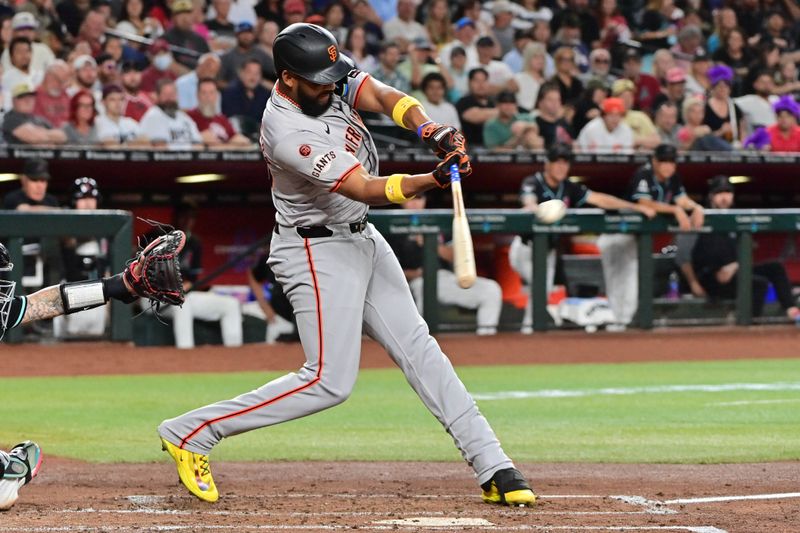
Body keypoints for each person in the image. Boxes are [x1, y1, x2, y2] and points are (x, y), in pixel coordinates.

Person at [158, 23, 535, 508]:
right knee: (327, 382)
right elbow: (365, 188)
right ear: (288, 78)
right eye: (321, 79)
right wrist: (432, 179)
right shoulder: (286, 129)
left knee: (420, 350)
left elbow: (378, 92)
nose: (333, 85)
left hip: (360, 238)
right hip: (315, 250)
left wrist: (429, 127)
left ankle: (494, 464)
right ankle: (192, 432)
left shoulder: (324, 77)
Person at [509, 142, 655, 333]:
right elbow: (528, 202)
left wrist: (635, 207)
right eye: (557, 162)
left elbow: (600, 200)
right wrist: (537, 209)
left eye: (565, 162)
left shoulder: (569, 187)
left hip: (548, 251)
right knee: (541, 286)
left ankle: (529, 332)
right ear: (547, 163)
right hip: (525, 249)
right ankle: (530, 330)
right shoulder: (533, 181)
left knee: (541, 291)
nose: (561, 167)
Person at [598, 144, 704, 330]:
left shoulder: (673, 178)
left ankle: (622, 322)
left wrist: (696, 207)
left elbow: (682, 200)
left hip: (633, 239)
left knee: (630, 278)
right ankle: (616, 321)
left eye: (671, 162)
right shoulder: (644, 174)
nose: (668, 166)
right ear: (654, 161)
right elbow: (645, 203)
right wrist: (675, 210)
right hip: (617, 234)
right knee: (617, 280)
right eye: (663, 161)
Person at [387, 192, 503, 336]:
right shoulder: (392, 225)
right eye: (410, 199)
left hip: (446, 279)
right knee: (425, 289)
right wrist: (415, 274)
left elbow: (456, 256)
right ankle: (421, 343)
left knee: (491, 290)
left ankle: (486, 341)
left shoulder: (437, 222)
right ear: (402, 201)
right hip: (415, 282)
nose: (415, 203)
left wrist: (432, 244)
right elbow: (388, 271)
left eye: (419, 198)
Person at [685, 176, 800, 321]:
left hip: (734, 272)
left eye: (728, 192)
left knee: (775, 267)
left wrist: (735, 266)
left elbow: (746, 251)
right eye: (719, 193)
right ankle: (746, 325)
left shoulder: (736, 218)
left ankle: (791, 310)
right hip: (709, 277)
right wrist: (694, 283)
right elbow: (683, 256)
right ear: (711, 196)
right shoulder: (701, 216)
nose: (724, 197)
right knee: (758, 284)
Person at [149, 202, 243, 350]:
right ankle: (186, 355)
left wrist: (187, 285)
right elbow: (147, 274)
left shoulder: (194, 243)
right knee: (182, 304)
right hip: (154, 297)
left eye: (191, 217)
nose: (187, 221)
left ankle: (235, 356)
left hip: (183, 293)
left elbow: (193, 279)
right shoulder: (158, 237)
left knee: (230, 305)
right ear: (175, 217)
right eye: (184, 216)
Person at [54, 177, 108, 338]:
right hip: (69, 290)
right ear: (73, 202)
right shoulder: (62, 224)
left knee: (97, 343)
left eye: (91, 198)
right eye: (82, 198)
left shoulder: (107, 227)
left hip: (99, 293)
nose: (88, 203)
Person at [243, 253, 296, 344]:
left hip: (306, 319)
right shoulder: (274, 254)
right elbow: (253, 275)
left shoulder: (314, 255)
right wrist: (264, 306)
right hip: (279, 318)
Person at [187, 78, 252, 148]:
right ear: (197, 95)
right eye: (204, 93)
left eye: (211, 93)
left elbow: (240, 140)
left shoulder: (222, 118)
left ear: (216, 96)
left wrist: (222, 146)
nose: (208, 97)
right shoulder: (189, 117)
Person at [139, 78, 203, 149]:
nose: (169, 98)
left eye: (172, 94)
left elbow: (198, 145)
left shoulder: (184, 117)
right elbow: (160, 148)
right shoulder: (152, 117)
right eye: (165, 94)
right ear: (157, 96)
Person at [220, 57, 270, 140]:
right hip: (236, 137)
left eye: (257, 73)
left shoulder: (265, 95)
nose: (253, 77)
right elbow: (232, 119)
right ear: (241, 73)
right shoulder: (229, 93)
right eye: (249, 72)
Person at [2, 83, 67, 145]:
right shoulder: (10, 119)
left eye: (31, 97)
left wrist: (39, 133)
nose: (28, 100)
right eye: (22, 97)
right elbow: (34, 138)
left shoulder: (39, 119)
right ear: (14, 101)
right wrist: (49, 137)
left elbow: (62, 137)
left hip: (45, 156)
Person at [219, 21, 274, 87]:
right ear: (237, 35)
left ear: (253, 35)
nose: (246, 36)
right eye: (243, 33)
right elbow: (219, 81)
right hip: (234, 94)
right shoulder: (228, 56)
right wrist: (232, 88)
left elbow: (275, 72)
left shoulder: (261, 54)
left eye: (249, 33)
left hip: (258, 93)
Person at [611, 78, 660, 150]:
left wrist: (637, 141)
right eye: (623, 96)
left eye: (630, 96)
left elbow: (657, 141)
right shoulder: (609, 119)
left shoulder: (641, 116)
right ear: (614, 98)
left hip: (639, 158)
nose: (627, 100)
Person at [455, 67, 497, 147]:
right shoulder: (464, 102)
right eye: (476, 81)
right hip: (471, 148)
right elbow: (476, 117)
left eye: (484, 81)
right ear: (469, 83)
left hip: (495, 147)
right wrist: (502, 111)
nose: (481, 85)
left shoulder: (493, 102)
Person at [163, 0, 209, 71]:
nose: (184, 18)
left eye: (188, 13)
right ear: (173, 17)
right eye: (180, 14)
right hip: (176, 78)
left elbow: (208, 60)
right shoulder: (166, 38)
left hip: (199, 76)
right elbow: (166, 64)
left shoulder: (200, 40)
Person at [2, 37, 43, 109]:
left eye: (27, 51)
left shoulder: (41, 75)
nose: (24, 55)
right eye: (19, 52)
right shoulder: (6, 79)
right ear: (11, 57)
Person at [32, 60, 70, 128]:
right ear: (48, 76)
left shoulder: (64, 94)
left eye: (64, 82)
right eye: (60, 81)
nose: (62, 86)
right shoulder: (33, 97)